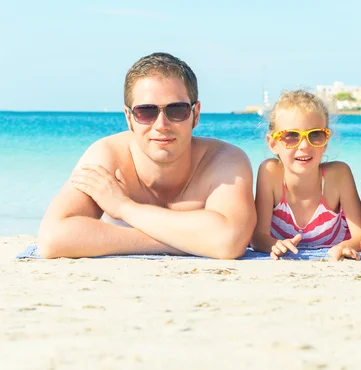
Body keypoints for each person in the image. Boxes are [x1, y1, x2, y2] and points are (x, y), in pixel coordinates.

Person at [38, 52, 256, 259]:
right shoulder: (108, 157)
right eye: (146, 112)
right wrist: (188, 241)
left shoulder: (224, 162)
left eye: (176, 110)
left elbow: (230, 241)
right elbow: (52, 238)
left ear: (195, 114)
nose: (161, 125)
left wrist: (125, 207)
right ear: (129, 117)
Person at [251, 90, 361, 260]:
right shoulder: (270, 174)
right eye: (291, 136)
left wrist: (344, 247)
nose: (304, 145)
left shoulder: (339, 176)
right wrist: (273, 245)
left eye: (315, 135)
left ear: (326, 141)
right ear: (273, 144)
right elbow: (257, 236)